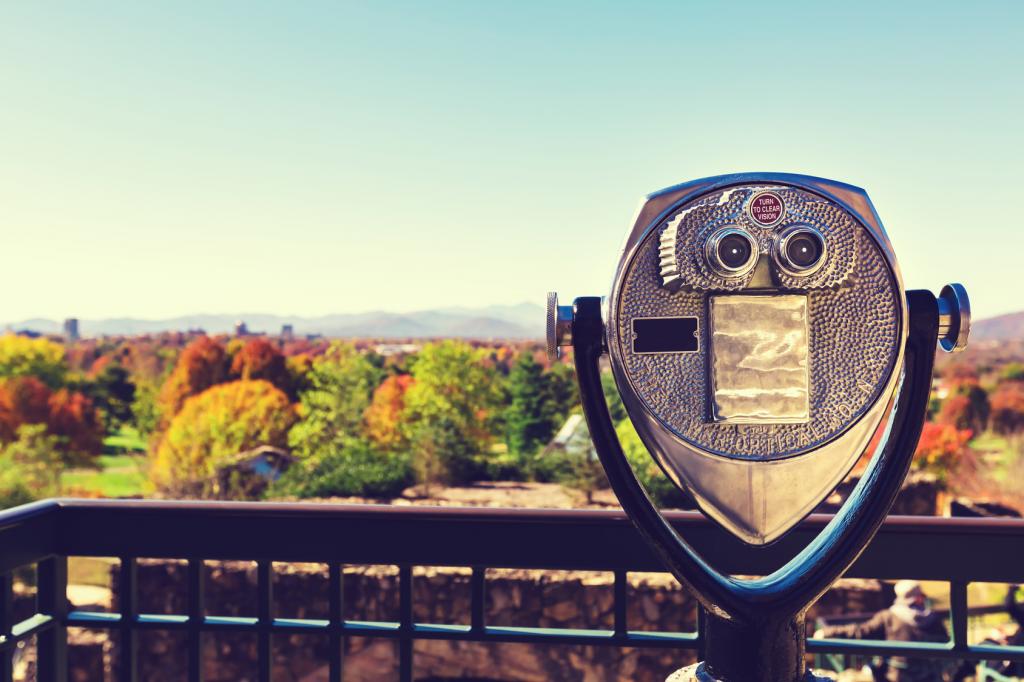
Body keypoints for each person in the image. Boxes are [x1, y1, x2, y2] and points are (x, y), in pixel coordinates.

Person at [815, 580, 949, 682]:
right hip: (929, 677)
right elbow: (946, 644)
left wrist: (828, 632)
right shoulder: (933, 620)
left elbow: (861, 631)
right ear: (919, 598)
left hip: (896, 677)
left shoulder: (888, 617)